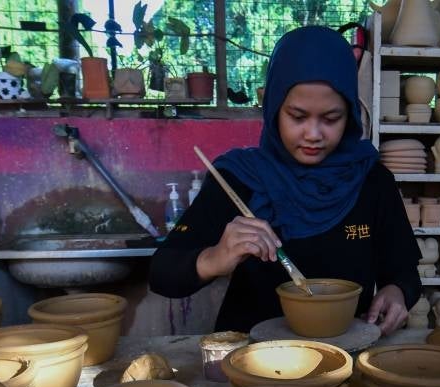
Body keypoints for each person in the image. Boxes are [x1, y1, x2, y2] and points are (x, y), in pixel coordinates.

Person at [149, 25, 421, 335]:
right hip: (253, 353)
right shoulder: (239, 177)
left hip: (345, 348)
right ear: (275, 109)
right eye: (297, 116)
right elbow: (162, 273)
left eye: (331, 118)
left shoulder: (371, 179)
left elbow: (404, 273)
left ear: (350, 115)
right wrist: (214, 258)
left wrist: (397, 292)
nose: (313, 134)